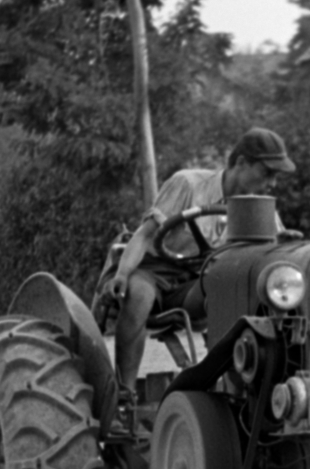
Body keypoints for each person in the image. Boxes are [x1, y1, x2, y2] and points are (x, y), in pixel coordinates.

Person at [104, 127, 296, 431]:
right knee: (138, 295)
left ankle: (236, 392)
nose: (271, 183)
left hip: (198, 281)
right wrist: (123, 273)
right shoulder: (188, 184)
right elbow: (144, 236)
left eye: (275, 175)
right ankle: (125, 401)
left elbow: (276, 251)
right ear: (242, 163)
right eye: (267, 172)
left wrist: (288, 244)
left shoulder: (257, 206)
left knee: (233, 294)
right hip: (154, 272)